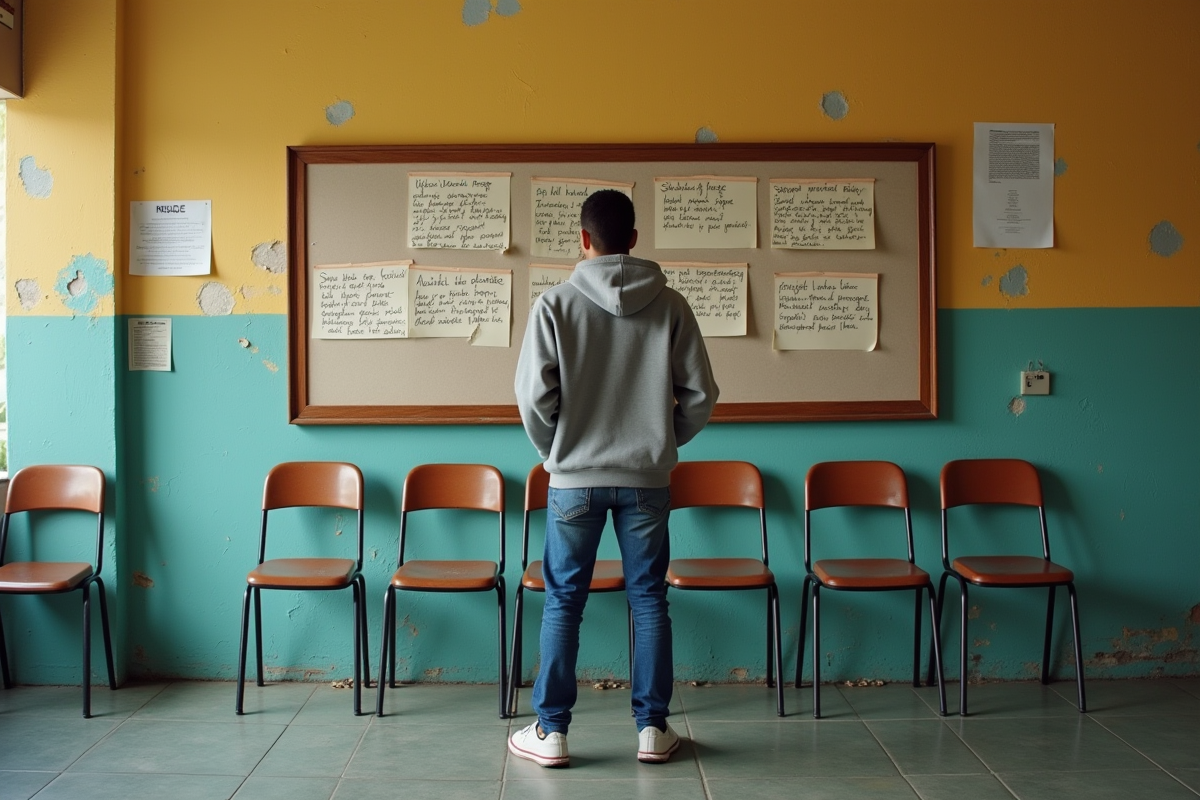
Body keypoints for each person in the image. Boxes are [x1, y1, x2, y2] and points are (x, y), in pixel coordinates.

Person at [510, 189, 719, 767]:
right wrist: (661, 443)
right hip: (647, 481)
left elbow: (532, 398)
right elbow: (701, 396)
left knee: (563, 603)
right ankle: (652, 730)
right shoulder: (671, 305)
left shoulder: (554, 304)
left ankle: (551, 733)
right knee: (649, 600)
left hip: (573, 480)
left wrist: (558, 452)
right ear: (633, 238)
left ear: (583, 239)